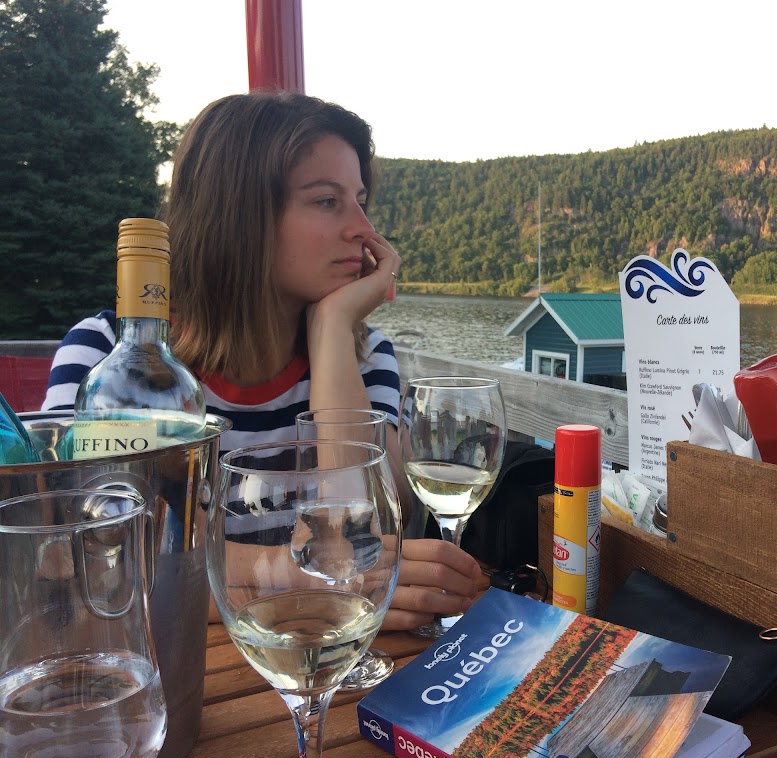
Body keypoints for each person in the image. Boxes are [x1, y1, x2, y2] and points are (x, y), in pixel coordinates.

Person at [41, 91, 479, 631]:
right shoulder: (107, 359)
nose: (364, 230)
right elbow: (73, 558)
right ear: (239, 216)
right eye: (328, 201)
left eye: (361, 201)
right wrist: (299, 578)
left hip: (307, 656)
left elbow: (363, 535)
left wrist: (332, 329)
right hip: (180, 665)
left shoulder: (364, 356)